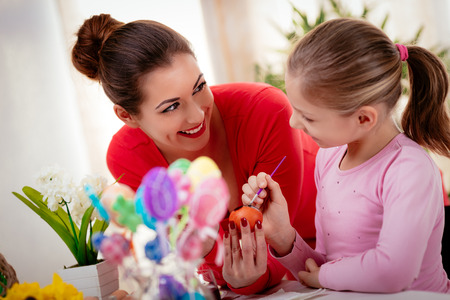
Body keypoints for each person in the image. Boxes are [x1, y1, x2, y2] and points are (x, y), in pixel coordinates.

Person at [71, 14, 319, 294]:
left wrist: (242, 278)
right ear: (127, 115)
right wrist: (231, 272)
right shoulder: (127, 156)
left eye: (199, 87)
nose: (198, 114)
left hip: (337, 254)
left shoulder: (265, 111)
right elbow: (204, 261)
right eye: (171, 107)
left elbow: (279, 252)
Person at [242, 18, 450, 293]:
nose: (293, 123)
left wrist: (324, 276)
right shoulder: (328, 160)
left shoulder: (409, 169)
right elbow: (326, 268)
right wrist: (284, 236)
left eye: (309, 117)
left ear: (364, 118)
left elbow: (393, 273)